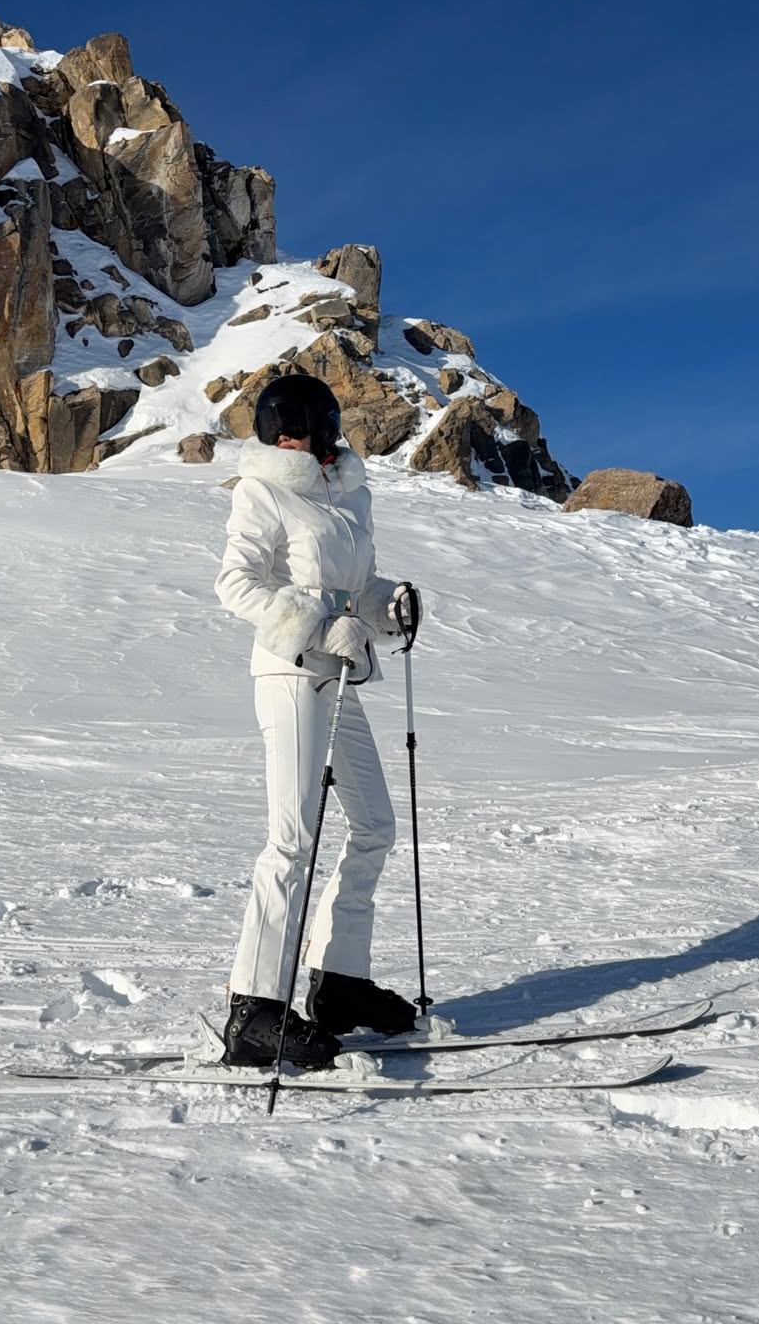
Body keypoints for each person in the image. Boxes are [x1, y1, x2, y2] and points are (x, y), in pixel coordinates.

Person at [214, 373, 420, 1066]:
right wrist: (313, 626)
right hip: (290, 673)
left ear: (326, 425)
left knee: (375, 827)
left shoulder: (351, 498)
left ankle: (340, 984)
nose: (289, 436)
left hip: (341, 678)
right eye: (277, 426)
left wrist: (386, 606)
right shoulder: (263, 489)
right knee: (293, 840)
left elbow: (355, 590)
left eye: (299, 422)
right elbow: (237, 581)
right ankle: (254, 1012)